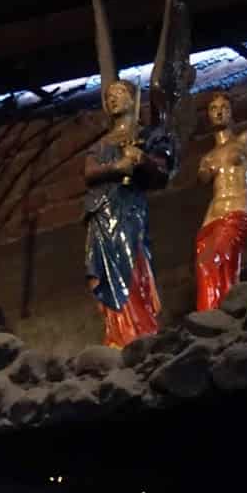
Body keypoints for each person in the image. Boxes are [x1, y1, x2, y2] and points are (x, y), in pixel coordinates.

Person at [83, 78, 172, 348]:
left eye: (120, 92)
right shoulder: (101, 144)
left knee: (131, 266)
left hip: (128, 210)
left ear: (133, 99)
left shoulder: (146, 136)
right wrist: (117, 167)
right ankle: (117, 334)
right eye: (109, 95)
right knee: (106, 274)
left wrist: (141, 158)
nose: (113, 98)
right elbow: (89, 172)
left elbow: (162, 171)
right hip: (101, 213)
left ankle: (140, 330)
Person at [195, 92, 247, 312]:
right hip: (211, 217)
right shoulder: (207, 157)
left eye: (224, 107)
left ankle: (212, 314)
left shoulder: (244, 139)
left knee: (211, 260)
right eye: (214, 109)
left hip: (236, 209)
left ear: (231, 112)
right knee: (214, 266)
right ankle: (223, 310)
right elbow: (202, 179)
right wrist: (204, 170)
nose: (219, 112)